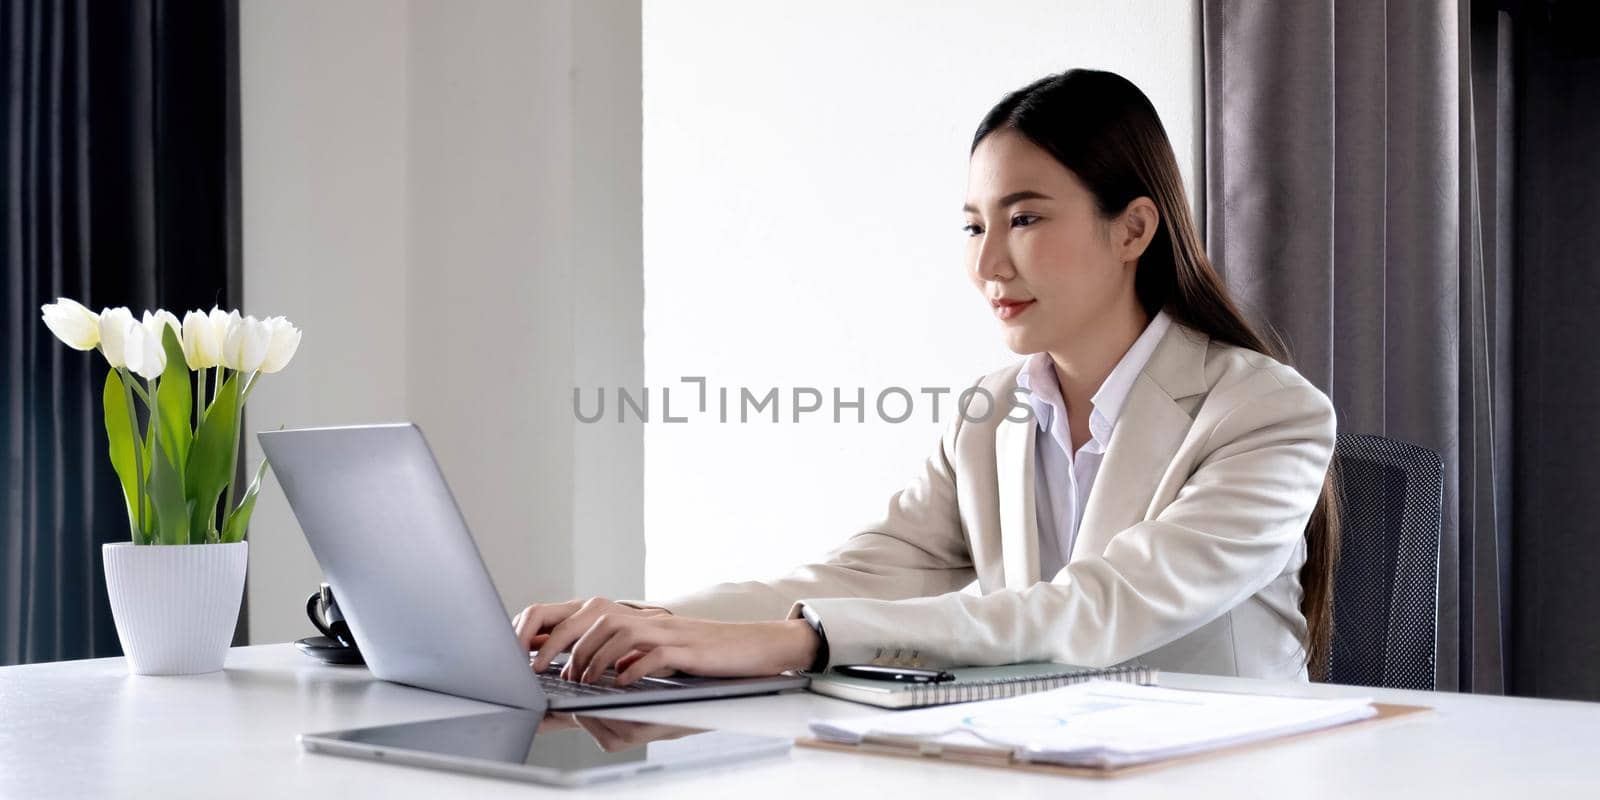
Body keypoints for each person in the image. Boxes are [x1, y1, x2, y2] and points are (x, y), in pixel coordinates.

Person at [513, 68, 1338, 687]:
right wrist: (643, 620)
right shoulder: (989, 416)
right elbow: (857, 577)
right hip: (1049, 761)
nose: (986, 263)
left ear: (1133, 229)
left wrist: (805, 640)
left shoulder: (1266, 414)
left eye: (1024, 219)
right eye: (974, 225)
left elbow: (1099, 607)